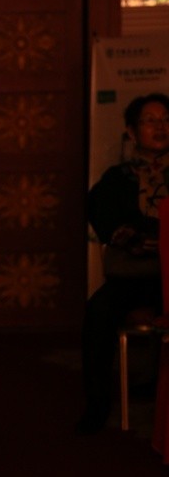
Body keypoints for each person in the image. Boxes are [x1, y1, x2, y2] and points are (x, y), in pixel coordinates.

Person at [77, 93, 169, 434]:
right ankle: (97, 405)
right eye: (150, 121)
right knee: (98, 312)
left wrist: (147, 234)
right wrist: (150, 236)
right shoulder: (116, 179)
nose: (160, 127)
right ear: (132, 131)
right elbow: (109, 224)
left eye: (166, 120)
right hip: (130, 278)